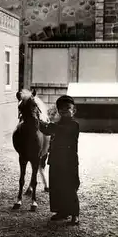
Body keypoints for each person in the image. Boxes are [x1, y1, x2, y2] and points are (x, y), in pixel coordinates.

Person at [39, 95, 80, 226]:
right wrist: (38, 121)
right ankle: (62, 212)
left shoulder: (74, 125)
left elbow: (64, 131)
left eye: (67, 108)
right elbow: (45, 131)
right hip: (56, 160)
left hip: (69, 162)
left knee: (69, 187)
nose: (64, 111)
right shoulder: (56, 125)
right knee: (56, 187)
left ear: (73, 110)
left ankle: (75, 214)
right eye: (61, 109)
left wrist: (50, 126)